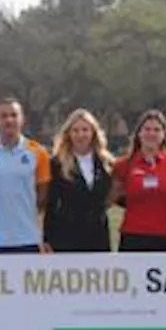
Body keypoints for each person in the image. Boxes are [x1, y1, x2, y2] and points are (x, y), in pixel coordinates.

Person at [0, 98, 51, 253]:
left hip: (29, 238)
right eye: (4, 116)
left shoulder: (38, 152)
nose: (9, 120)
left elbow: (42, 196)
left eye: (14, 115)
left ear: (22, 119)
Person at [110, 110, 166, 252]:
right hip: (134, 236)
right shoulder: (124, 165)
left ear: (164, 134)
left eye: (157, 130)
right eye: (147, 129)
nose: (151, 134)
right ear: (139, 133)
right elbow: (111, 198)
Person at [44, 108, 114, 252]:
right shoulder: (57, 164)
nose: (80, 135)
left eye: (85, 130)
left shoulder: (106, 163)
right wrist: (46, 238)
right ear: (68, 134)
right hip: (66, 236)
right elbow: (50, 204)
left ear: (93, 133)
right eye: (75, 131)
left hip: (98, 235)